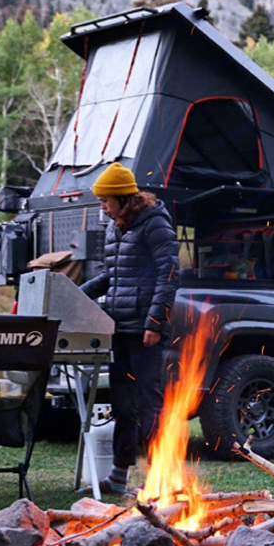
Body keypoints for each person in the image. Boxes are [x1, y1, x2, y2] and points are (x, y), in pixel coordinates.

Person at [80, 161, 178, 495]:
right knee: (123, 405)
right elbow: (112, 276)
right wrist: (73, 295)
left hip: (145, 330)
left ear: (123, 198)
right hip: (119, 328)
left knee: (151, 404)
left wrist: (154, 322)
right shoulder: (116, 228)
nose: (102, 207)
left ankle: (158, 480)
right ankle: (119, 477)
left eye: (105, 200)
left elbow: (169, 273)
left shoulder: (154, 223)